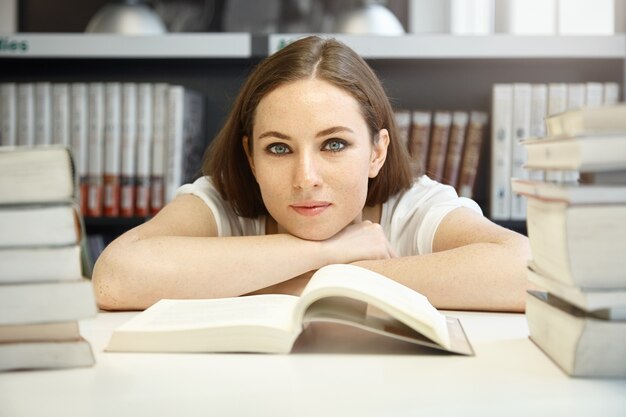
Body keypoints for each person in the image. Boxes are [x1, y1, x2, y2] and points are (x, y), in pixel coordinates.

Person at [93, 35, 531, 312]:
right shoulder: (221, 200)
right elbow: (116, 277)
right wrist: (326, 252)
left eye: (334, 145)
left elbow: (526, 268)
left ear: (377, 151)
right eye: (279, 148)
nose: (306, 178)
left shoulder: (414, 207)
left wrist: (322, 281)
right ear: (250, 157)